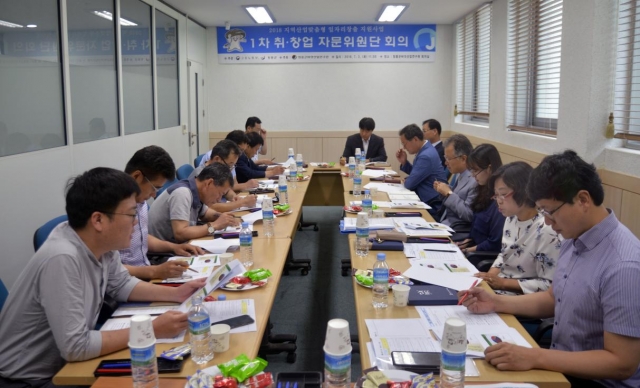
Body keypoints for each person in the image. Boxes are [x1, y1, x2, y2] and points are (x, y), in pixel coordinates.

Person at [0, 168, 205, 386]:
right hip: (30, 379)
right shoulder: (62, 258)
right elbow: (76, 347)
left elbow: (122, 285)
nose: (135, 222)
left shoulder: (100, 243)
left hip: (67, 363)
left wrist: (177, 293)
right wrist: (153, 329)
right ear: (98, 220)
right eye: (130, 214)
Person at [459, 150, 640, 387]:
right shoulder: (574, 239)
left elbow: (621, 363)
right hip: (559, 365)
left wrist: (535, 356)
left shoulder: (623, 266)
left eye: (550, 211)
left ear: (583, 200)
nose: (546, 222)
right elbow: (552, 298)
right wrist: (495, 302)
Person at [473, 161, 562, 295]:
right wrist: (488, 278)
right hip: (499, 292)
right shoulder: (511, 218)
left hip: (523, 301)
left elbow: (548, 285)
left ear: (524, 191)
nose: (499, 200)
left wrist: (503, 283)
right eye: (496, 195)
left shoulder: (547, 229)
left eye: (503, 194)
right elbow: (503, 256)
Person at [120, 146, 205, 280]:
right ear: (137, 176)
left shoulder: (140, 203)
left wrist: (174, 248)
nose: (154, 195)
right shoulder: (114, 209)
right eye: (155, 188)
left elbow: (142, 237)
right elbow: (112, 269)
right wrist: (154, 271)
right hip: (129, 281)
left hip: (147, 272)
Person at [148, 163, 239, 243]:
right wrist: (214, 225)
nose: (219, 199)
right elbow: (180, 234)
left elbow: (206, 214)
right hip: (164, 255)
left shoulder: (196, 190)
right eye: (220, 194)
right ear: (209, 183)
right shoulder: (182, 193)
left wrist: (225, 218)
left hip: (180, 246)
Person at [457, 143, 505, 254]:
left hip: (481, 257)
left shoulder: (500, 201)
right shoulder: (482, 190)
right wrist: (462, 244)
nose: (473, 175)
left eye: (475, 170)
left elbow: (494, 243)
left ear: (490, 168)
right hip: (472, 249)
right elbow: (475, 231)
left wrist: (466, 250)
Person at [189, 140, 257, 213]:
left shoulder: (217, 172)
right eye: (229, 165)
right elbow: (209, 207)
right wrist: (241, 203)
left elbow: (226, 191)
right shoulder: (200, 175)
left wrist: (235, 197)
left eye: (233, 166)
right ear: (217, 159)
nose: (230, 170)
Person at [395, 124, 447, 216]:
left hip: (432, 204)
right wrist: (404, 163)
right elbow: (418, 174)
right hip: (425, 199)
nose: (404, 147)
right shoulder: (426, 149)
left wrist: (408, 180)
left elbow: (410, 184)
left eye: (404, 143)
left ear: (415, 139)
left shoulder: (425, 155)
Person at [433, 134, 477, 229]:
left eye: (448, 158)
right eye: (445, 158)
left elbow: (469, 214)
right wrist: (443, 191)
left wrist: (448, 193)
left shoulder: (475, 180)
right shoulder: (461, 174)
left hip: (456, 230)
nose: (445, 163)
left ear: (463, 159)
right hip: (445, 223)